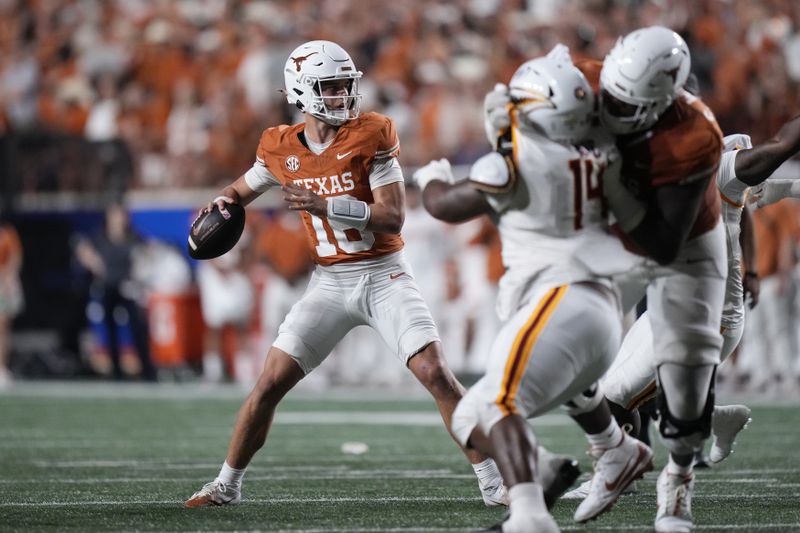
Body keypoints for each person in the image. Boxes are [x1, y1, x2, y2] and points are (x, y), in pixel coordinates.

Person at [184, 40, 507, 509]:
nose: (341, 96)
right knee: (269, 383)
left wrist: (326, 205)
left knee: (436, 372)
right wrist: (223, 203)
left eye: (344, 85)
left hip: (384, 274)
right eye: (329, 86)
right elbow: (240, 189)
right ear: (301, 91)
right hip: (329, 283)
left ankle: (495, 483)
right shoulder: (278, 146)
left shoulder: (371, 133)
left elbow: (392, 217)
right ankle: (226, 484)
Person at [414, 45, 654, 533]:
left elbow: (443, 206)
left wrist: (432, 176)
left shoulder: (511, 162)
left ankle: (529, 511)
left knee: (482, 411)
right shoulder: (603, 154)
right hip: (602, 309)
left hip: (561, 300)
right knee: (568, 390)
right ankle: (615, 448)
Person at [578, 27, 725, 533]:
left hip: (685, 248)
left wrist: (612, 183)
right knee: (560, 340)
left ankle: (678, 479)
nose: (613, 112)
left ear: (666, 98)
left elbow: (663, 243)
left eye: (629, 104)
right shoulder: (585, 79)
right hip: (613, 236)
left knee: (682, 391)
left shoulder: (694, 135)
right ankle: (613, 452)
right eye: (610, 99)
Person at [76, 202, 158, 381]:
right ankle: (116, 370)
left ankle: (148, 370)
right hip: (108, 286)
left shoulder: (132, 237)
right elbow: (82, 247)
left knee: (138, 327)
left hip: (128, 287)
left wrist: (143, 264)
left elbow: (148, 251)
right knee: (110, 327)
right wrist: (92, 261)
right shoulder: (101, 237)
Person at [0, 211, 23, 386]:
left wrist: (7, 277)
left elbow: (15, 258)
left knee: (2, 329)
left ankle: (1, 368)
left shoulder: (7, 233)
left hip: (4, 285)